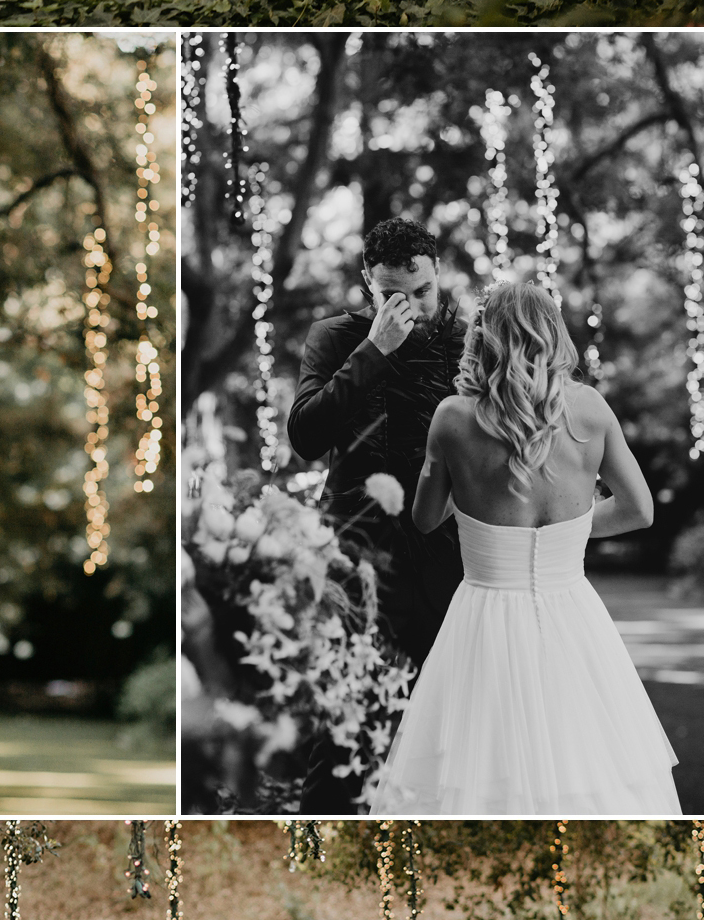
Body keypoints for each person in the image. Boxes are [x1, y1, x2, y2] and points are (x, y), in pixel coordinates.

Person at [369, 271, 680, 816]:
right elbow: (639, 510)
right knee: (585, 762)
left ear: (484, 338)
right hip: (573, 614)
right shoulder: (590, 409)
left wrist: (461, 493)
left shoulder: (453, 417)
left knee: (473, 770)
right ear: (552, 333)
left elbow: (423, 519)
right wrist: (568, 535)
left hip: (483, 615)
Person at [286, 213, 466, 674]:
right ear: (368, 281)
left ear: (438, 271)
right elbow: (305, 438)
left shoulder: (471, 343)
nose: (410, 309)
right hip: (355, 558)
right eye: (391, 297)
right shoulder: (331, 337)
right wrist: (373, 351)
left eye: (422, 292)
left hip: (448, 562)